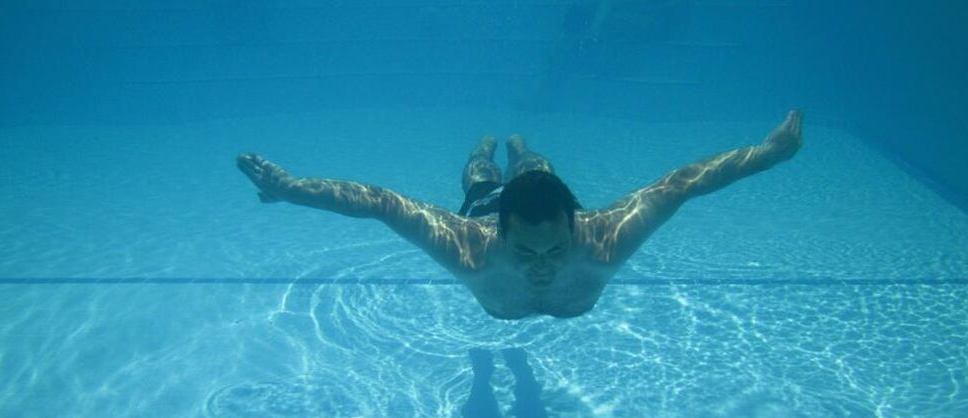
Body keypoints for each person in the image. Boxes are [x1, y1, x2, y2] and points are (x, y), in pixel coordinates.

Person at [236, 110, 802, 319]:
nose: (541, 266)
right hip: (488, 205)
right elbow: (382, 204)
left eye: (556, 250)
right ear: (499, 236)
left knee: (534, 163)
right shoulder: (471, 243)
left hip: (539, 195)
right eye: (526, 252)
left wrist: (769, 155)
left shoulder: (603, 239)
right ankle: (487, 153)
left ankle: (518, 146)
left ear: (575, 227)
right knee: (480, 177)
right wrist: (292, 190)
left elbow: (681, 185)